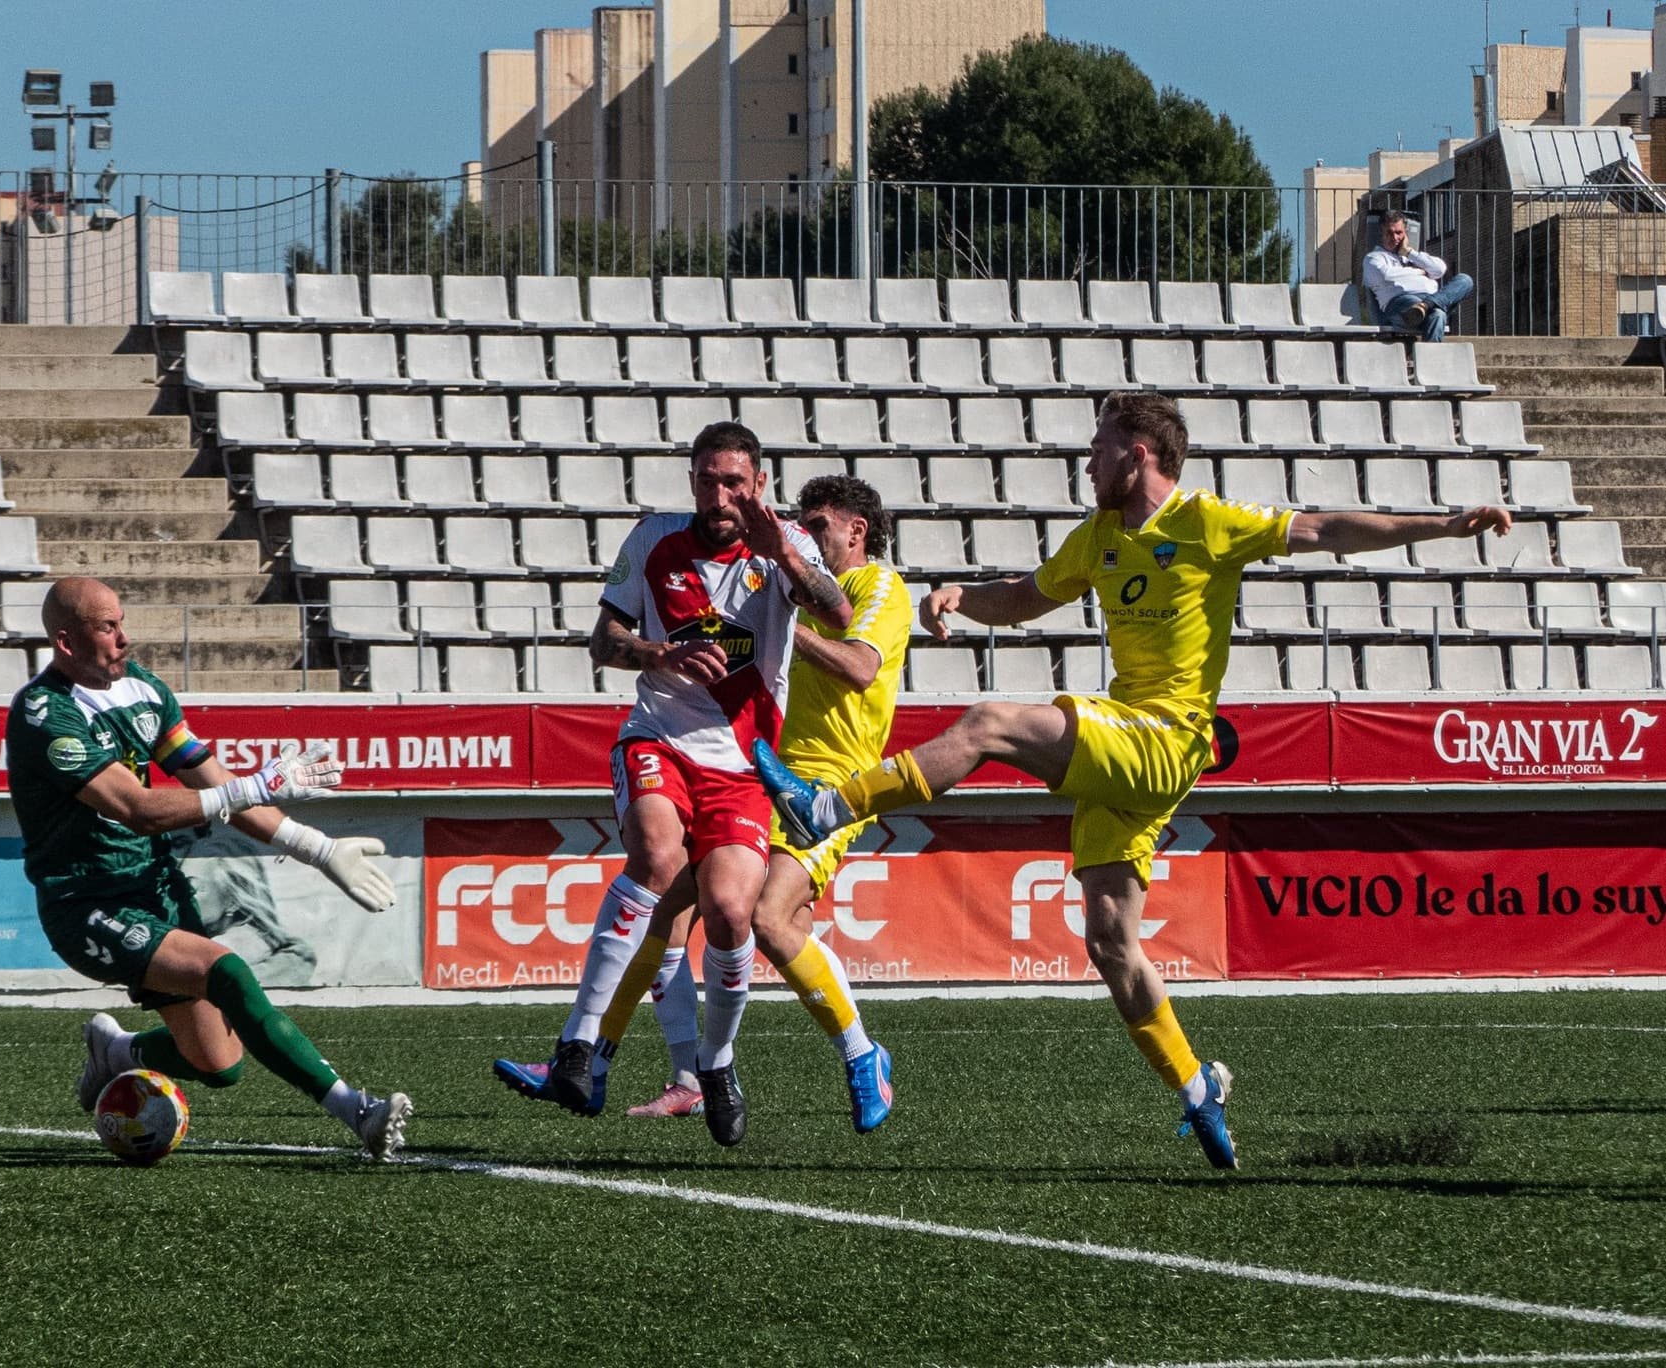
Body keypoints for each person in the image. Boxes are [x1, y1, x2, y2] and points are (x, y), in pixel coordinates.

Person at [755, 392, 1513, 1170]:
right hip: (1130, 754)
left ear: (1137, 454)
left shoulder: (1206, 522)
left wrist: (1443, 525)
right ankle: (1195, 1087)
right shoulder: (1099, 536)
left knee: (989, 723)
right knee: (1112, 943)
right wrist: (961, 599)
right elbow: (1025, 600)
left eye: (1097, 449)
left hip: (1166, 735)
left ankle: (827, 805)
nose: (1086, 464)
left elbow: (1325, 531)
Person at [493, 421, 851, 1144]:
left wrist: (779, 546)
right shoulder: (653, 539)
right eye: (705, 480)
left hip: (743, 762)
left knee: (727, 912)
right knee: (656, 860)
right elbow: (603, 642)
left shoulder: (788, 547)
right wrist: (659, 651)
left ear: (757, 483)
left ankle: (713, 1066)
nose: (718, 495)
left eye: (732, 482)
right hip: (657, 737)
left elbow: (837, 614)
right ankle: (578, 1045)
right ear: (691, 480)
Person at [5, 577, 413, 1160]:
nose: (125, 638)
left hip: (156, 888)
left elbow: (215, 784)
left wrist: (318, 849)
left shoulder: (144, 689)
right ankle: (358, 1111)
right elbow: (138, 809)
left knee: (219, 1066)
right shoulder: (45, 713)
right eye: (108, 627)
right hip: (87, 904)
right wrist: (257, 783)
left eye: (123, 621)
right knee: (230, 972)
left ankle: (118, 1053)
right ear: (66, 642)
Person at [589, 474, 911, 1143]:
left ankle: (861, 1054)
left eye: (818, 523)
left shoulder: (874, 585)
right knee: (665, 907)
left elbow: (857, 666)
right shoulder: (769, 574)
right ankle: (639, 1069)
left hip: (827, 788)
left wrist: (777, 620)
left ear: (857, 530)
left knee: (765, 916)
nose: (803, 532)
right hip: (754, 774)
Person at [1362, 209, 1474, 342]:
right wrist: (1420, 272)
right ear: (1381, 234)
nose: (1395, 238)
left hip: (1429, 300)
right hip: (1401, 304)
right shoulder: (1373, 258)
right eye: (1389, 233)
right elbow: (1387, 276)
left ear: (1406, 233)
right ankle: (1427, 307)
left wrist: (1409, 252)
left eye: (1399, 233)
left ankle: (1425, 306)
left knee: (1465, 280)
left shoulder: (1414, 256)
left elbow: (1440, 269)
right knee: (1438, 314)